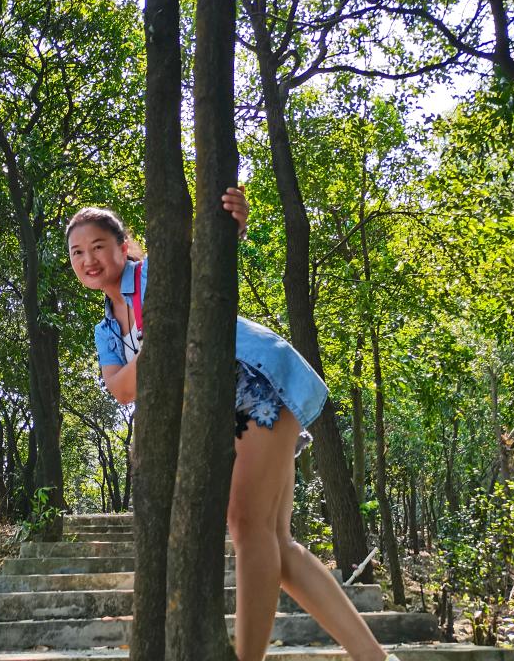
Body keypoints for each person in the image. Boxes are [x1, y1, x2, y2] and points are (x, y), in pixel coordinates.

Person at [66, 188, 399, 661]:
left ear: (123, 247)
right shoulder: (105, 329)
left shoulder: (155, 275)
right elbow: (119, 389)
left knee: (246, 525)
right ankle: (375, 658)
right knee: (276, 546)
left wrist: (233, 223)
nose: (89, 259)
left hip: (256, 381)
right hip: (217, 408)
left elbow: (205, 258)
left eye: (98, 245)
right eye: (78, 253)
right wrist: (164, 340)